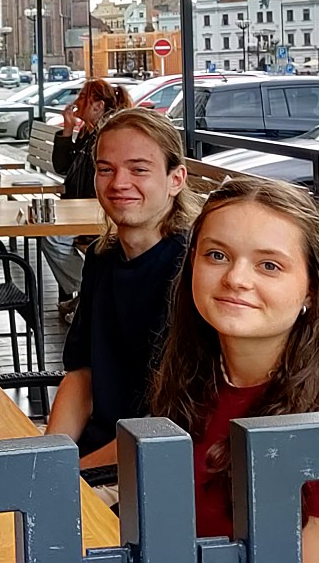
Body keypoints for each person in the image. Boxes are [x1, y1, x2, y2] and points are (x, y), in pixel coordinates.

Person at [150, 178, 319, 562]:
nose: (236, 279)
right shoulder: (192, 384)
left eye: (269, 265)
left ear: (311, 290)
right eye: (217, 255)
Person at [45, 109, 197, 480]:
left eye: (139, 169)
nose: (118, 183)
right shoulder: (102, 257)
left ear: (176, 179)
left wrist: (68, 476)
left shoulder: (192, 270)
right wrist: (48, 457)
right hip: (96, 454)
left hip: (158, 466)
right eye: (105, 169)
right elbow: (83, 374)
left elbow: (173, 420)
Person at [45, 79, 133, 320]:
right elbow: (62, 167)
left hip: (101, 212)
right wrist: (67, 130)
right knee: (49, 234)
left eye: (83, 97)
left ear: (98, 105)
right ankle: (91, 294)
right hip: (78, 208)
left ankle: (92, 294)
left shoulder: (107, 136)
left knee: (52, 236)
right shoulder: (89, 131)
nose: (76, 102)